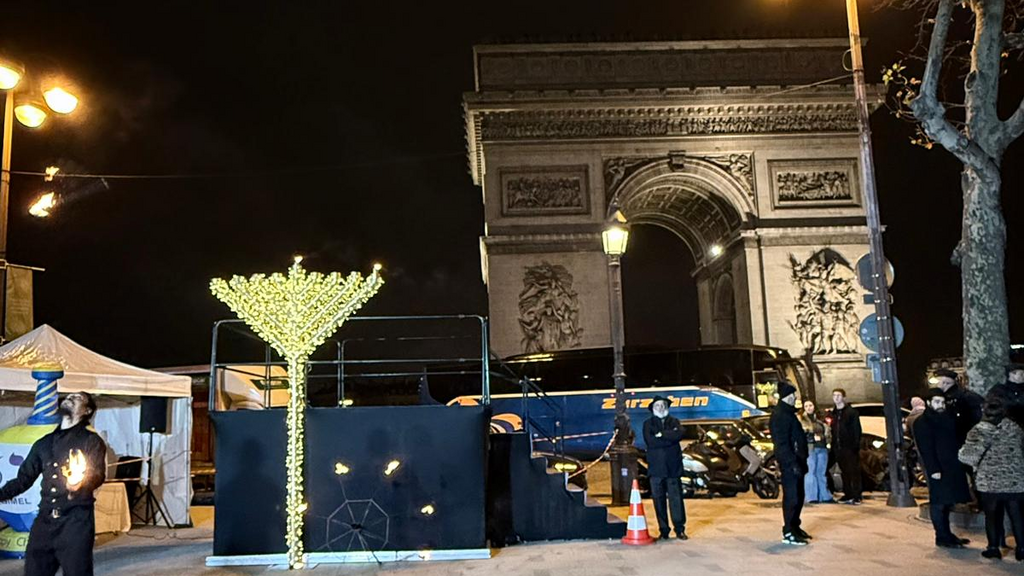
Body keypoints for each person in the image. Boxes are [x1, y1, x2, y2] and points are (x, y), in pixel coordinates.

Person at [0, 392, 107, 576]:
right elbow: (23, 479)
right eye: (69, 396)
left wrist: (80, 485)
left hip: (76, 521)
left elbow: (97, 475)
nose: (70, 398)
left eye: (78, 398)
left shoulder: (91, 441)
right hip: (44, 520)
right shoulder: (44, 443)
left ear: (87, 411)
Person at [959, 393, 1024, 560]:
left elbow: (968, 457)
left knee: (992, 515)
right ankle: (1022, 549)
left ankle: (994, 548)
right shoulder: (1015, 429)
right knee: (1017, 515)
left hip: (989, 482)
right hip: (1015, 480)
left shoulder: (979, 431)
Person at [913, 388, 973, 548]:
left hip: (952, 465)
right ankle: (941, 536)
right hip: (938, 468)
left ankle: (947, 534)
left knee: (948, 502)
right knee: (939, 503)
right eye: (937, 402)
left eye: (942, 402)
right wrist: (933, 470)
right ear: (928, 403)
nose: (941, 405)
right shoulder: (923, 422)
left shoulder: (948, 417)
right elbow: (926, 448)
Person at [769, 381, 810, 545]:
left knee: (799, 495)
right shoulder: (780, 415)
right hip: (790, 463)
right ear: (787, 396)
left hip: (797, 461)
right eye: (793, 395)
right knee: (792, 497)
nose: (795, 398)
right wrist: (792, 462)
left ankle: (795, 526)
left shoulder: (788, 414)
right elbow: (782, 443)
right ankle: (788, 531)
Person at [642, 395, 687, 540]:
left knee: (676, 499)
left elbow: (679, 434)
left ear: (667, 407)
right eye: (657, 406)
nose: (660, 408)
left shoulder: (674, 421)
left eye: (663, 405)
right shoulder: (648, 424)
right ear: (653, 409)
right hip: (656, 469)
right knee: (658, 500)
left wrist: (661, 435)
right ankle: (664, 529)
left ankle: (679, 529)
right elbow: (651, 442)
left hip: (673, 468)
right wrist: (669, 438)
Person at [828, 388, 862, 504]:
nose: (836, 398)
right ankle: (848, 494)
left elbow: (856, 430)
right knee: (844, 472)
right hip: (837, 447)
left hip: (849, 447)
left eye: (838, 395)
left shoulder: (851, 413)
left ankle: (856, 495)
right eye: (834, 395)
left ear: (844, 397)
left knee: (853, 471)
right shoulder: (834, 414)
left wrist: (855, 445)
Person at [934, 369, 983, 448]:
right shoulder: (959, 396)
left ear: (945, 383)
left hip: (963, 442)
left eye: (937, 383)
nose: (936, 386)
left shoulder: (964, 398)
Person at [800, 400, 832, 504]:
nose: (809, 408)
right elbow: (800, 435)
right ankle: (811, 496)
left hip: (822, 448)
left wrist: (824, 439)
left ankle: (824, 496)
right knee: (810, 472)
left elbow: (828, 434)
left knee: (821, 473)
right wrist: (812, 438)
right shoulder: (801, 421)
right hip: (810, 449)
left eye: (810, 405)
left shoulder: (820, 420)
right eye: (806, 406)